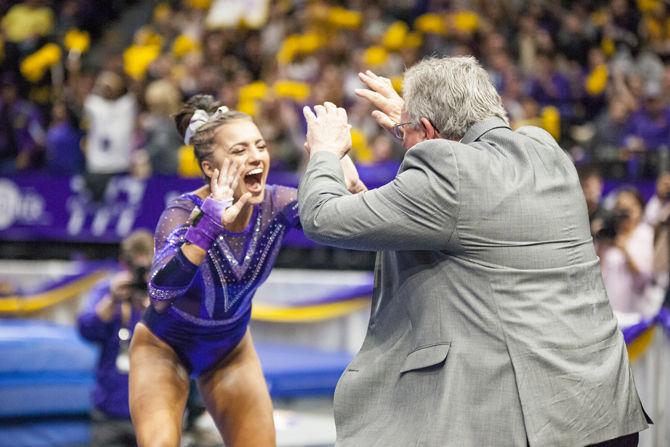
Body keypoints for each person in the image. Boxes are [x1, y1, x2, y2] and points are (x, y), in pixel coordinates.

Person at [298, 57, 650, 446]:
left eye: (407, 131)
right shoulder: (545, 151)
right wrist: (417, 122)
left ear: (429, 132)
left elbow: (321, 217)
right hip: (604, 409)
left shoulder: (447, 170)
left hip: (534, 427)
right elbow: (471, 180)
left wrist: (325, 153)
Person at [128, 94, 364, 447]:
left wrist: (350, 186)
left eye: (260, 146)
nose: (255, 157)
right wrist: (207, 226)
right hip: (164, 348)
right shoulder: (182, 213)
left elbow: (342, 221)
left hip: (230, 351)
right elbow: (160, 294)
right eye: (238, 151)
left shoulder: (275, 203)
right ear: (210, 169)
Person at [77, 229, 154, 447]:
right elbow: (85, 329)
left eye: (146, 268)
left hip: (152, 412)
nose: (141, 275)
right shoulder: (108, 290)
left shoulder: (162, 295)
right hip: (109, 412)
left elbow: (182, 341)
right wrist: (111, 301)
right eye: (136, 268)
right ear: (124, 264)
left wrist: (154, 310)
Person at [597, 188, 655, 315]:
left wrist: (624, 251)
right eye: (620, 209)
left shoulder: (645, 233)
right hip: (609, 309)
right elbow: (599, 273)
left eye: (628, 209)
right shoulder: (610, 234)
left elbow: (643, 277)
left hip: (634, 312)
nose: (624, 215)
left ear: (639, 209)